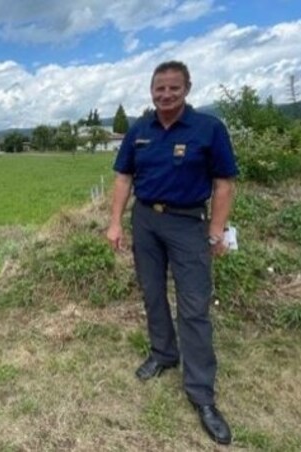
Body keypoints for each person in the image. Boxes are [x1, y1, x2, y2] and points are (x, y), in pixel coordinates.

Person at [106, 61, 238, 445]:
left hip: (188, 224)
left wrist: (216, 230)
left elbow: (224, 182)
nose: (166, 95)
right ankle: (163, 354)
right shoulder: (139, 131)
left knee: (194, 305)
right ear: (151, 90)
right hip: (146, 221)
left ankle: (201, 394)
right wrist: (115, 222)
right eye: (159, 88)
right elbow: (123, 177)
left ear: (187, 89)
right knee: (152, 293)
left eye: (173, 89)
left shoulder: (208, 129)